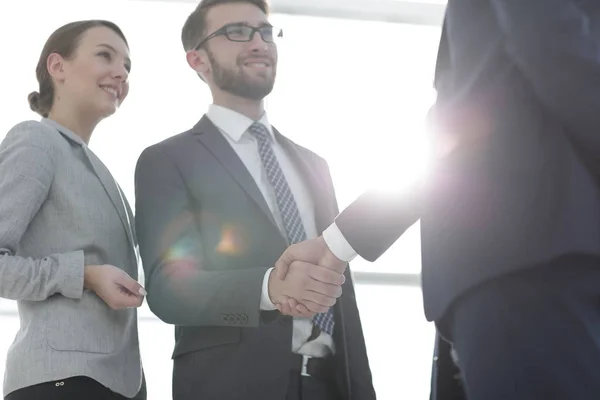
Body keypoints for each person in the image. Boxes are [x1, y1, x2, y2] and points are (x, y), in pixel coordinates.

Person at [274, 2, 600, 399]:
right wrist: (336, 244)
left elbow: (466, 121)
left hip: (526, 267)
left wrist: (336, 244)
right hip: (537, 265)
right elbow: (534, 60)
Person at [133, 1, 375, 399]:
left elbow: (341, 289)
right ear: (198, 60)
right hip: (232, 384)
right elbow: (167, 288)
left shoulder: (315, 164)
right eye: (237, 32)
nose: (259, 42)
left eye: (265, 31)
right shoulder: (168, 160)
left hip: (331, 385)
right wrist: (268, 288)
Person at [0, 20, 146, 400]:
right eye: (105, 55)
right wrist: (85, 275)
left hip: (115, 384)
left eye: (127, 65)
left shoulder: (101, 171)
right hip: (60, 382)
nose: (122, 73)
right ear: (57, 67)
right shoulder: (35, 141)